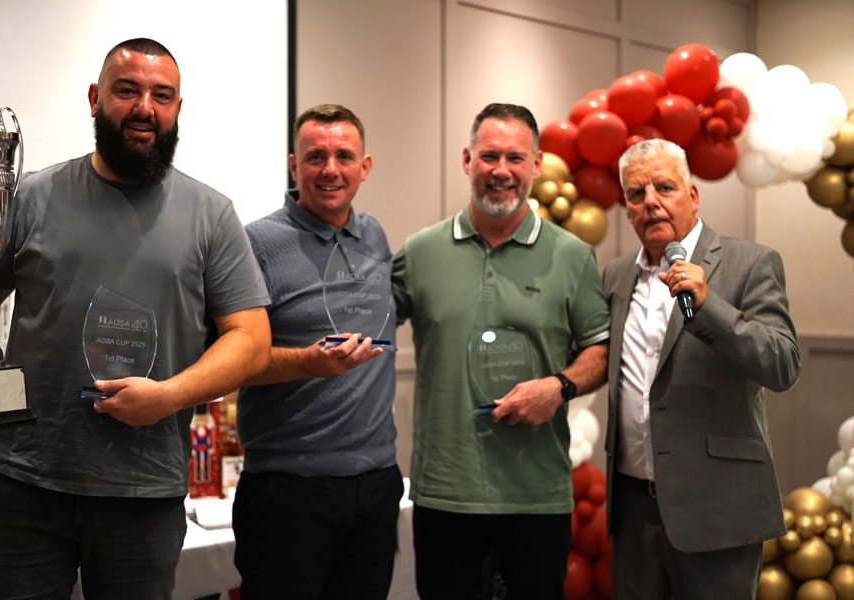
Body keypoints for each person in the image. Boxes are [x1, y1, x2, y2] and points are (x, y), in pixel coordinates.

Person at [0, 38, 272, 599]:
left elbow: (251, 340)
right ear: (95, 98)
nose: (144, 107)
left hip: (142, 500)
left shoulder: (212, 215)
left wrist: (169, 396)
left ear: (177, 108)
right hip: (20, 487)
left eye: (161, 95)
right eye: (127, 90)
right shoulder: (32, 196)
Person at [392, 103, 610, 599]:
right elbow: (368, 326)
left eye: (515, 158)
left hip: (537, 496)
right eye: (489, 156)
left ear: (537, 165)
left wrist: (559, 387)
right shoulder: (419, 253)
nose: (501, 171)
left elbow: (601, 349)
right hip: (445, 493)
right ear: (467, 160)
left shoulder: (572, 256)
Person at [602, 138, 801, 599]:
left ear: (692, 195)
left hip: (719, 506)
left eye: (664, 187)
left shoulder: (751, 262)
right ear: (627, 209)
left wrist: (709, 307)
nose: (650, 202)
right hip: (633, 509)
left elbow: (782, 364)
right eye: (636, 194)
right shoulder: (616, 275)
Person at [234, 104, 403, 600]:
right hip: (288, 492)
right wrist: (307, 362)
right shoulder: (255, 243)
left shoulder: (374, 236)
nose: (331, 169)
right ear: (294, 166)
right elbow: (227, 361)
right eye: (315, 157)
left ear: (364, 167)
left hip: (377, 485)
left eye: (344, 156)